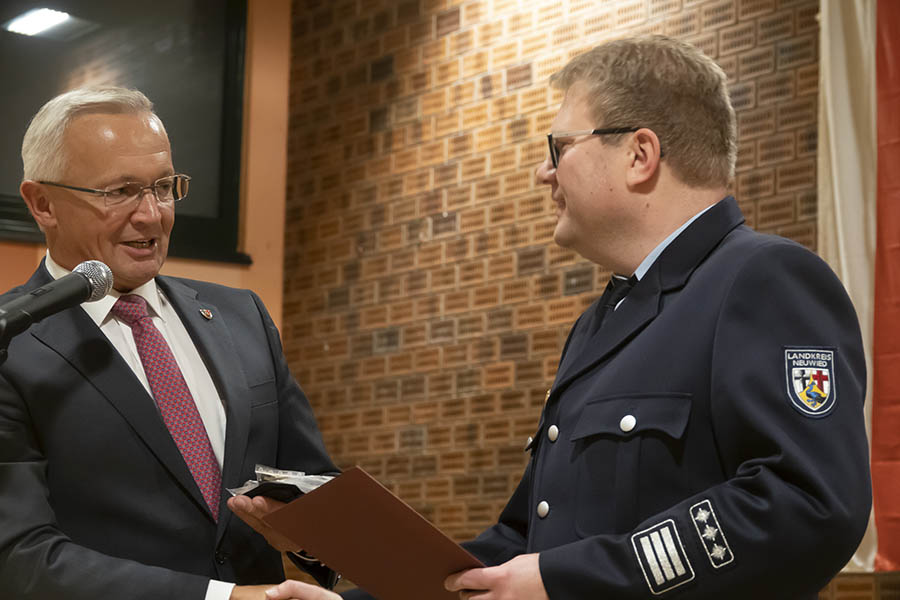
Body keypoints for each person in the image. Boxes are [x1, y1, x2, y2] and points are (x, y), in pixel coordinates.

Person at [233, 35, 872, 600]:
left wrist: (568, 580)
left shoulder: (762, 280)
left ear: (640, 154)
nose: (543, 172)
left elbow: (807, 506)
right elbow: (522, 540)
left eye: (558, 146)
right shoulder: (605, 320)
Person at [0, 86, 338, 600]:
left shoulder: (242, 317)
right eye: (119, 192)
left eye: (162, 187)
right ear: (42, 203)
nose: (152, 215)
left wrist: (318, 536)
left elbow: (313, 484)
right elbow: (19, 557)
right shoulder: (12, 342)